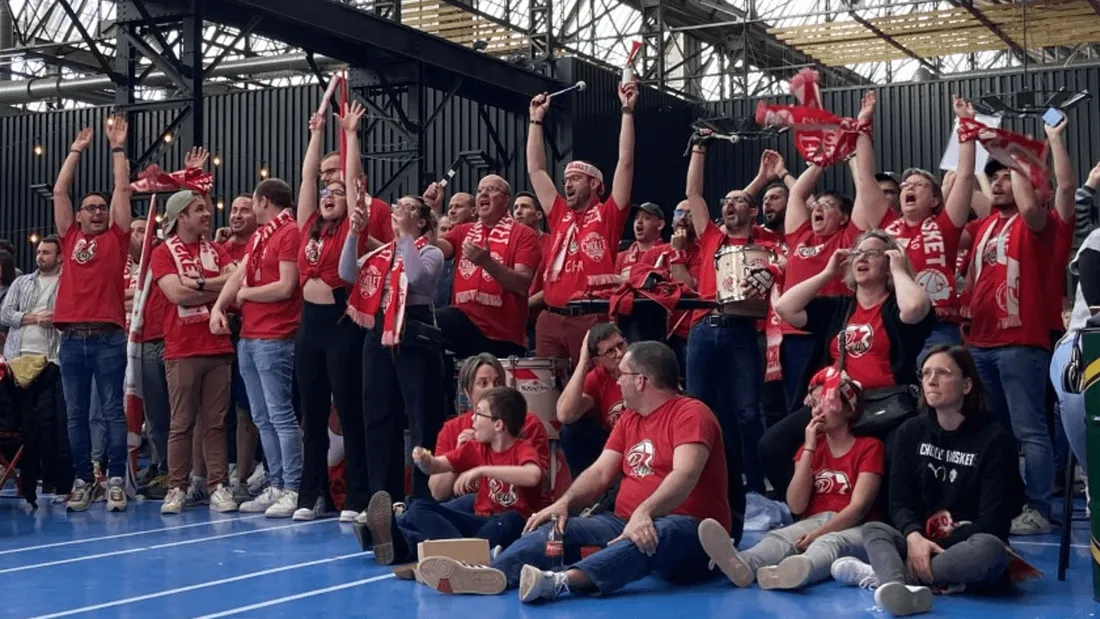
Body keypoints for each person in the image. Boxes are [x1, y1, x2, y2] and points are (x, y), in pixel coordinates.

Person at [416, 342, 736, 604]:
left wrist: (644, 512)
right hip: (627, 520)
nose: (616, 380)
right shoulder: (630, 418)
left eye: (622, 374)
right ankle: (491, 574)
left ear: (641, 380)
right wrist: (564, 504)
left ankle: (560, 582)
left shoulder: (691, 413)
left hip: (692, 532)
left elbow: (685, 476)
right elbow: (599, 474)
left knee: (653, 533)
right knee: (555, 526)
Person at [833, 346, 1023, 616]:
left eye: (943, 373)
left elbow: (994, 520)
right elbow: (899, 501)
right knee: (875, 529)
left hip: (965, 546)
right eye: (926, 373)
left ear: (967, 384)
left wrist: (933, 550)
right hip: (919, 541)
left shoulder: (995, 439)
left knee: (990, 550)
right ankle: (909, 584)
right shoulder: (910, 432)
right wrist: (913, 537)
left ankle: (892, 579)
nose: (931, 380)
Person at [765, 231, 933, 495]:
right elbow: (785, 308)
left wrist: (899, 270)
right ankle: (814, 506)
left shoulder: (896, 307)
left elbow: (914, 308)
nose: (862, 258)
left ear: (889, 262)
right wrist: (827, 273)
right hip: (838, 405)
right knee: (772, 446)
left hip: (888, 407)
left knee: (894, 459)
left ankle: (878, 517)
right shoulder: (840, 307)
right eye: (857, 253)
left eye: (872, 253)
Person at [699, 367, 882, 591]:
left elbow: (858, 508)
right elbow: (796, 504)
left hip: (856, 527)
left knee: (830, 543)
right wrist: (809, 449)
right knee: (779, 537)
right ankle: (742, 564)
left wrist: (817, 534)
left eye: (823, 402)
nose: (816, 411)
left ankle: (798, 570)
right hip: (814, 520)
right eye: (813, 404)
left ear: (846, 408)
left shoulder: (869, 447)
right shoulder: (811, 448)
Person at [291, 105, 382, 523]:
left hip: (342, 326)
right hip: (309, 326)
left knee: (348, 408)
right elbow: (309, 177)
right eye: (326, 195)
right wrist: (315, 133)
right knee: (311, 411)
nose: (329, 196)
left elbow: (353, 179)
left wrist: (349, 135)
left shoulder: (352, 228)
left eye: (337, 194)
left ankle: (359, 496)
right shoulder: (307, 224)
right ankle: (311, 494)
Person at [777, 92, 894, 414]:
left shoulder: (850, 236)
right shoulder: (800, 234)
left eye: (829, 206)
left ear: (843, 217)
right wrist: (822, 159)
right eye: (819, 205)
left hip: (830, 326)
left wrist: (854, 149)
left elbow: (864, 190)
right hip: (795, 327)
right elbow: (799, 192)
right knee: (797, 403)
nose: (819, 209)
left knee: (832, 403)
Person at [965, 155, 1062, 535]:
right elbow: (958, 192)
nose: (999, 183)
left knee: (1030, 430)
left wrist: (1017, 158)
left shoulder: (1038, 224)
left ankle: (1039, 509)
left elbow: (1031, 204)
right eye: (995, 179)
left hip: (1021, 341)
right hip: (980, 342)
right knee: (995, 431)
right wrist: (968, 136)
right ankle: (1008, 501)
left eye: (1008, 177)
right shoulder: (984, 225)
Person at [683, 131, 782, 497]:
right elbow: (694, 193)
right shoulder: (711, 236)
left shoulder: (766, 242)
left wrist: (760, 182)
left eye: (738, 202)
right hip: (703, 327)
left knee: (746, 412)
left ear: (753, 210)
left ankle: (756, 484)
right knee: (698, 406)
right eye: (725, 202)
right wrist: (699, 149)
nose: (728, 206)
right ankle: (701, 480)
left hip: (743, 329)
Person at [340, 183, 444, 504]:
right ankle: (384, 497)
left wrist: (405, 236)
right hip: (380, 332)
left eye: (410, 208)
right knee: (379, 416)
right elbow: (345, 273)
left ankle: (424, 499)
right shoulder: (381, 253)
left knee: (421, 417)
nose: (401, 211)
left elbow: (415, 278)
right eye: (400, 207)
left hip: (414, 332)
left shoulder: (431, 251)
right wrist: (354, 234)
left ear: (423, 221)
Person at [362, 387, 542, 565]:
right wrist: (425, 460)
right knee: (418, 508)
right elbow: (438, 465)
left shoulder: (523, 448)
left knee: (511, 519)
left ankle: (408, 543)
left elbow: (533, 475)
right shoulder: (476, 448)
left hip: (513, 528)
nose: (472, 418)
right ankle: (462, 555)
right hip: (479, 525)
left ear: (498, 424)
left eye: (479, 414)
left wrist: (482, 470)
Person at [52, 118, 133, 512]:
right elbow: (59, 190)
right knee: (76, 416)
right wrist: (76, 151)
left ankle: (115, 479)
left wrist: (117, 148)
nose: (98, 212)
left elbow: (122, 187)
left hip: (107, 339)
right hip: (71, 340)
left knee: (113, 411)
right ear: (79, 217)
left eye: (102, 208)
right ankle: (84, 479)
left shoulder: (117, 238)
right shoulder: (69, 239)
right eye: (91, 208)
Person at [210, 178, 303, 518]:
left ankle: (293, 487)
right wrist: (220, 306)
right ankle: (276, 483)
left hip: (276, 335)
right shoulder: (262, 235)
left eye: (251, 202)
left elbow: (287, 285)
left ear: (263, 201)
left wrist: (245, 295)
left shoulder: (289, 232)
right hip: (251, 334)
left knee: (280, 414)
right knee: (262, 417)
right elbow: (240, 275)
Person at [527, 81, 637, 366]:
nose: (567, 184)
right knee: (548, 396)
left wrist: (627, 111)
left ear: (595, 184)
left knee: (589, 390)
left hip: (589, 318)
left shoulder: (609, 214)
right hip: (550, 318)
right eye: (565, 180)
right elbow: (536, 169)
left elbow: (625, 163)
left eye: (574, 178)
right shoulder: (559, 212)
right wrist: (536, 120)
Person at [152, 190, 238, 514]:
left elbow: (236, 284)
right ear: (180, 217)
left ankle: (218, 485)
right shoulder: (163, 253)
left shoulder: (215, 249)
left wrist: (200, 284)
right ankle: (177, 487)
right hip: (182, 348)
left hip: (217, 346)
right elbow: (176, 294)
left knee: (215, 423)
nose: (206, 213)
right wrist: (218, 285)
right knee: (182, 423)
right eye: (198, 208)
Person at [428, 173, 541, 359]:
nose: (483, 194)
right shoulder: (464, 231)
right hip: (464, 324)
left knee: (435, 320)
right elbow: (435, 249)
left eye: (491, 190)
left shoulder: (524, 235)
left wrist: (487, 263)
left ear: (505, 200)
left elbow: (522, 284)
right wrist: (431, 210)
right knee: (425, 325)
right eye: (480, 190)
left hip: (500, 335)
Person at [0, 236, 72, 503]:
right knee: (27, 428)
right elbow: (4, 314)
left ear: (60, 256)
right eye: (39, 252)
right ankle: (28, 485)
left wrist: (56, 318)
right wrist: (35, 318)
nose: (40, 256)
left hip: (54, 360)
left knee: (54, 425)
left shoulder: (68, 282)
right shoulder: (21, 282)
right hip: (19, 361)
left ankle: (57, 483)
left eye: (47, 252)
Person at [430, 353, 552, 508]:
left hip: (513, 510)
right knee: (420, 509)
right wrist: (459, 456)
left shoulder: (528, 423)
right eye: (483, 383)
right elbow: (437, 492)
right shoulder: (452, 429)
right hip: (471, 509)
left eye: (498, 382)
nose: (492, 389)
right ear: (468, 392)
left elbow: (543, 484)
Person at [1050, 164, 1100, 480]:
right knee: (1078, 393)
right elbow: (1097, 311)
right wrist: (1092, 182)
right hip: (1084, 343)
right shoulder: (1096, 239)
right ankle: (1094, 478)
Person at [215, 195, 261, 502]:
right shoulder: (221, 248)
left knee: (250, 409)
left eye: (245, 209)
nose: (237, 215)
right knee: (219, 410)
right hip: (221, 332)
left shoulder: (259, 244)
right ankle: (226, 471)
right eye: (233, 210)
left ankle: (248, 475)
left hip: (252, 330)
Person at [556, 323, 626, 476]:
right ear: (597, 361)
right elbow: (565, 415)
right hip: (613, 445)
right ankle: (589, 497)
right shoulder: (597, 377)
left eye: (621, 345)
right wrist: (583, 362)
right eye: (610, 352)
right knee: (571, 431)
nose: (620, 353)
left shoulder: (643, 364)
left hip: (644, 441)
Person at [614, 202, 667, 279]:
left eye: (646, 218)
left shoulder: (666, 253)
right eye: (636, 217)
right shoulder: (620, 258)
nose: (639, 221)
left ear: (660, 225)